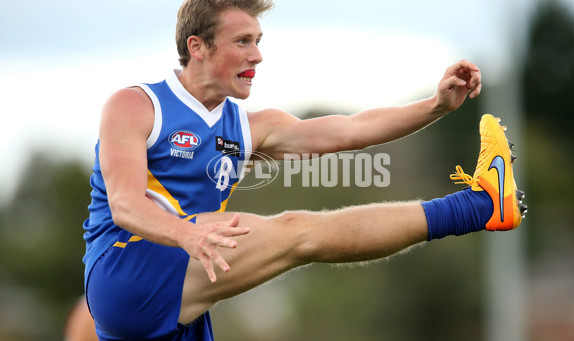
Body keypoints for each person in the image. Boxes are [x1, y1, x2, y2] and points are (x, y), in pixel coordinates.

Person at [82, 0, 527, 340]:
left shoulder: (251, 127)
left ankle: (482, 205)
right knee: (299, 231)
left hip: (185, 281)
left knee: (299, 232)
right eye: (243, 42)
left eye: (258, 41)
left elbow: (351, 131)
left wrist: (435, 106)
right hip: (124, 269)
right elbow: (124, 203)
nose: (257, 56)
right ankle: (480, 205)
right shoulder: (137, 105)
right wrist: (186, 234)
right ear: (197, 47)